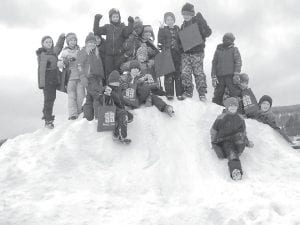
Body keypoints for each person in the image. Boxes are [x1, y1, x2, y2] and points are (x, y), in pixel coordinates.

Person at [210, 97, 254, 181]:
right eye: (230, 105)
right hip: (224, 140)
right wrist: (213, 142)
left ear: (237, 107)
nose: (233, 107)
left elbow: (243, 132)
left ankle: (236, 152)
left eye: (234, 105)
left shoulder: (240, 118)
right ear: (226, 107)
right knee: (231, 151)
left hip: (235, 140)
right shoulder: (221, 118)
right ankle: (235, 170)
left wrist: (247, 142)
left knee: (240, 137)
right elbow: (213, 131)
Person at [180, 2, 212, 101]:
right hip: (186, 53)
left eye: (188, 14)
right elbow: (181, 40)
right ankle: (188, 91)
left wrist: (202, 21)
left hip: (197, 52)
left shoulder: (198, 22)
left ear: (192, 14)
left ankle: (202, 93)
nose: (186, 16)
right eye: (184, 14)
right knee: (185, 73)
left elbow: (207, 33)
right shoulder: (183, 25)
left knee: (198, 73)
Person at [93, 9, 134, 81]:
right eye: (113, 17)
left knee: (118, 72)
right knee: (109, 73)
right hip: (109, 55)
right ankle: (109, 90)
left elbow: (127, 33)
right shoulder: (107, 27)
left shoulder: (122, 27)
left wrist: (131, 23)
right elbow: (97, 31)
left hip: (119, 55)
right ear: (110, 18)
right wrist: (97, 20)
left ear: (119, 18)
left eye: (117, 16)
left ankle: (119, 89)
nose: (115, 18)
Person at [36, 33, 65, 129]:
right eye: (46, 42)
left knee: (69, 88)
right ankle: (48, 120)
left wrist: (61, 37)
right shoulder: (43, 54)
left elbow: (59, 46)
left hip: (56, 78)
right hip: (48, 81)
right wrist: (41, 84)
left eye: (50, 42)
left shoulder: (53, 52)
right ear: (43, 44)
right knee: (49, 100)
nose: (49, 43)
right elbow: (41, 70)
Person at [78, 33, 105, 121]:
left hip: (98, 78)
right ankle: (98, 117)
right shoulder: (83, 52)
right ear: (86, 43)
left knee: (90, 97)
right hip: (89, 78)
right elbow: (79, 65)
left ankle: (88, 116)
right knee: (98, 95)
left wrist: (101, 78)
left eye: (93, 42)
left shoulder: (96, 53)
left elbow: (99, 66)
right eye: (90, 42)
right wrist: (82, 77)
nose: (92, 44)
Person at [158, 12, 184, 100]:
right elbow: (160, 41)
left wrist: (180, 49)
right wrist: (160, 29)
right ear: (165, 21)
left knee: (178, 74)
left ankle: (179, 93)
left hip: (177, 54)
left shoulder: (177, 29)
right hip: (167, 54)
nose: (170, 21)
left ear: (174, 20)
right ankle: (169, 93)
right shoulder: (163, 29)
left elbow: (182, 41)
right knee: (168, 74)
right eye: (168, 20)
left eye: (171, 19)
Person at [58, 33, 84, 120]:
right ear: (68, 42)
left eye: (74, 40)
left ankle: (79, 112)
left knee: (81, 95)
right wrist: (66, 61)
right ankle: (73, 114)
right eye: (71, 40)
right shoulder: (65, 52)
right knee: (71, 96)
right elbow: (59, 64)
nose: (73, 42)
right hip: (70, 78)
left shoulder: (79, 51)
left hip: (80, 77)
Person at [211, 33, 242, 106]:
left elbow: (238, 61)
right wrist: (213, 76)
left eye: (229, 39)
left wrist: (236, 74)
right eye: (226, 38)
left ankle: (239, 108)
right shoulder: (218, 50)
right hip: (220, 76)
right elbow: (214, 63)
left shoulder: (234, 49)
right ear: (223, 39)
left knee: (234, 92)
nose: (227, 40)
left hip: (231, 76)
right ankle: (215, 108)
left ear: (232, 40)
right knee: (218, 93)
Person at [102, 70, 132, 144]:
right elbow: (103, 101)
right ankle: (121, 136)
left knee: (130, 117)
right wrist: (106, 95)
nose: (115, 84)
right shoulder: (107, 89)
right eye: (113, 82)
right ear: (110, 82)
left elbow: (121, 99)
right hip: (110, 109)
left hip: (119, 108)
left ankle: (117, 131)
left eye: (117, 82)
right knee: (123, 114)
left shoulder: (119, 89)